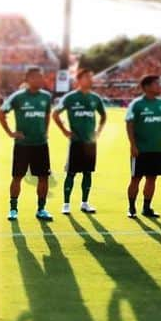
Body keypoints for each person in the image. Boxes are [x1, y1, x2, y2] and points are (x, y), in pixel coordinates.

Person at [0, 66, 54, 222]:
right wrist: (10, 132)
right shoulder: (17, 97)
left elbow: (47, 115)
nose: (40, 79)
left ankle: (41, 209)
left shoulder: (46, 97)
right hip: (22, 145)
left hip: (41, 144)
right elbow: (1, 113)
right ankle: (13, 209)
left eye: (41, 77)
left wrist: (46, 130)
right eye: (36, 77)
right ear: (28, 79)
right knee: (17, 177)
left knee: (43, 177)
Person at [52, 67, 107, 215]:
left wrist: (99, 131)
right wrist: (64, 130)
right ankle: (66, 204)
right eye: (88, 77)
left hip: (90, 142)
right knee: (71, 173)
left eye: (91, 77)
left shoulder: (95, 98)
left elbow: (103, 116)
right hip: (75, 142)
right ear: (79, 80)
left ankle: (85, 203)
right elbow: (55, 114)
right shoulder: (70, 98)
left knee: (88, 173)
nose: (91, 80)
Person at [125, 74, 161, 219]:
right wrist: (133, 145)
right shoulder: (137, 104)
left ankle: (147, 207)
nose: (159, 86)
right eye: (156, 84)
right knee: (136, 179)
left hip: (156, 150)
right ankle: (132, 207)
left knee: (152, 179)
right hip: (140, 150)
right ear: (146, 87)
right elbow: (129, 124)